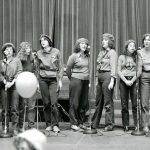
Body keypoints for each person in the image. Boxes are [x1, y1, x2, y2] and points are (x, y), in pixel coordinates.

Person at [36, 34, 64, 133]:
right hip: (43, 79)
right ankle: (48, 124)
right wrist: (37, 82)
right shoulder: (39, 53)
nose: (43, 42)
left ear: (49, 41)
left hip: (53, 80)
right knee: (46, 103)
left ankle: (55, 124)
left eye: (45, 40)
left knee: (54, 103)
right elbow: (37, 68)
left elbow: (60, 67)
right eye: (41, 40)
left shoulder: (56, 52)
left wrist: (60, 80)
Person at [91, 33, 117, 131]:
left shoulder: (112, 53)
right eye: (103, 40)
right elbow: (98, 66)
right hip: (100, 76)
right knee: (98, 101)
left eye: (105, 40)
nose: (103, 41)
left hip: (108, 76)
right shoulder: (101, 52)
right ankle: (94, 123)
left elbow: (113, 66)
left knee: (108, 102)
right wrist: (97, 78)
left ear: (110, 42)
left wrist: (112, 80)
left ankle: (109, 124)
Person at [118, 40, 142, 131]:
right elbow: (119, 71)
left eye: (134, 45)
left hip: (134, 80)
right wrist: (125, 81)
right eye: (130, 45)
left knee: (135, 104)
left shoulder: (137, 57)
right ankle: (126, 125)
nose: (132, 47)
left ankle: (137, 124)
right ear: (126, 47)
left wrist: (132, 80)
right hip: (123, 81)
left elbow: (139, 71)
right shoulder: (121, 57)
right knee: (124, 104)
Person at [66, 38, 90, 131]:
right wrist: (72, 79)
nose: (84, 45)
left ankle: (81, 122)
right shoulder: (73, 56)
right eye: (82, 43)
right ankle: (73, 123)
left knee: (83, 103)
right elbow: (68, 70)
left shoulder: (87, 56)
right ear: (78, 45)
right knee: (74, 103)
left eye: (85, 44)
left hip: (85, 81)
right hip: (76, 80)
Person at [0, 43, 22, 135]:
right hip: (4, 85)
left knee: (14, 108)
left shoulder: (17, 60)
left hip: (14, 86)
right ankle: (5, 127)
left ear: (13, 51)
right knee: (4, 108)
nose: (8, 51)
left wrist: (12, 83)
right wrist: (5, 82)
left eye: (10, 49)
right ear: (4, 52)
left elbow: (19, 71)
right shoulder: (1, 62)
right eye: (6, 49)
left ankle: (15, 128)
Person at [16, 42, 37, 132]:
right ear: (22, 50)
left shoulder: (32, 58)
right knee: (21, 106)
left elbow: (36, 70)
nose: (29, 50)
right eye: (26, 48)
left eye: (29, 48)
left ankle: (31, 125)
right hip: (22, 83)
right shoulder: (18, 59)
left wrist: (36, 81)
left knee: (31, 106)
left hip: (31, 82)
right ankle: (20, 125)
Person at [138, 33, 150, 133]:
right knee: (144, 102)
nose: (147, 41)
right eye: (145, 40)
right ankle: (145, 125)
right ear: (143, 42)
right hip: (144, 77)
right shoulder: (139, 52)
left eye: (149, 40)